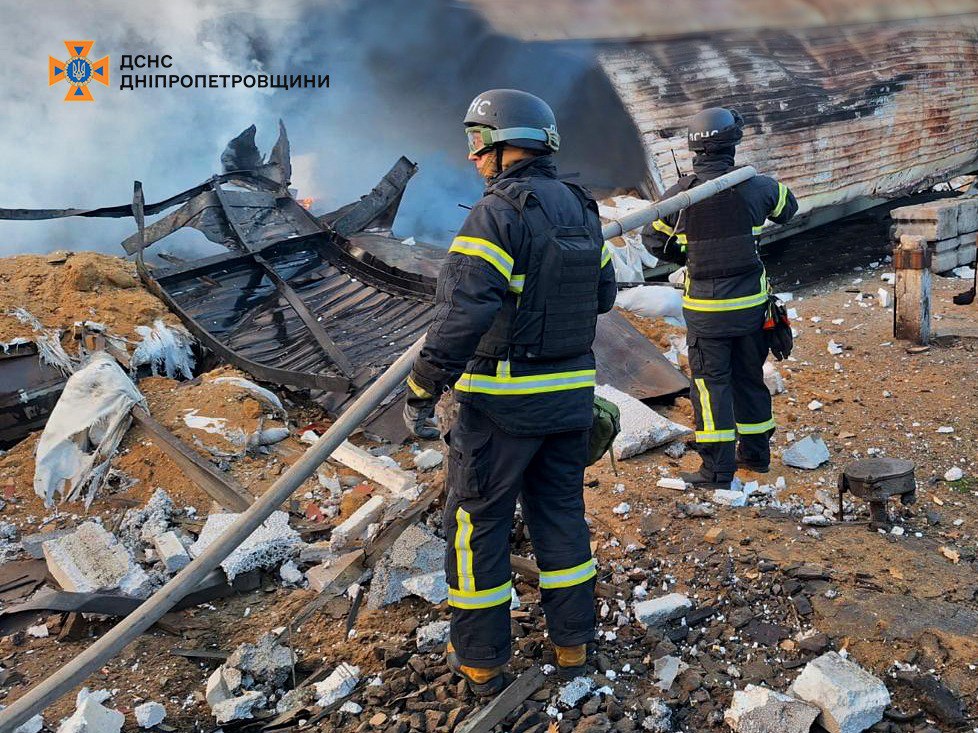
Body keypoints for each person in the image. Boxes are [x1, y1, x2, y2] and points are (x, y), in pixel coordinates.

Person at [403, 88, 617, 694]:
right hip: (570, 400)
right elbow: (603, 295)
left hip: (501, 404)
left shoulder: (496, 213)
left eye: (477, 142)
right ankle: (573, 645)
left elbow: (463, 312)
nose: (472, 156)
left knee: (477, 527)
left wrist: (423, 385)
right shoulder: (582, 208)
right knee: (562, 519)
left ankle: (481, 661)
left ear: (505, 145)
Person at [644, 107, 799, 489]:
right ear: (733, 143)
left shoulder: (681, 196)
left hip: (707, 315)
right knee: (749, 378)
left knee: (711, 387)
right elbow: (788, 209)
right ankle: (756, 456)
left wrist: (689, 254)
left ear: (694, 148)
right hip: (750, 311)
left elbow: (652, 239)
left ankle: (716, 471)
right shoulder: (758, 186)